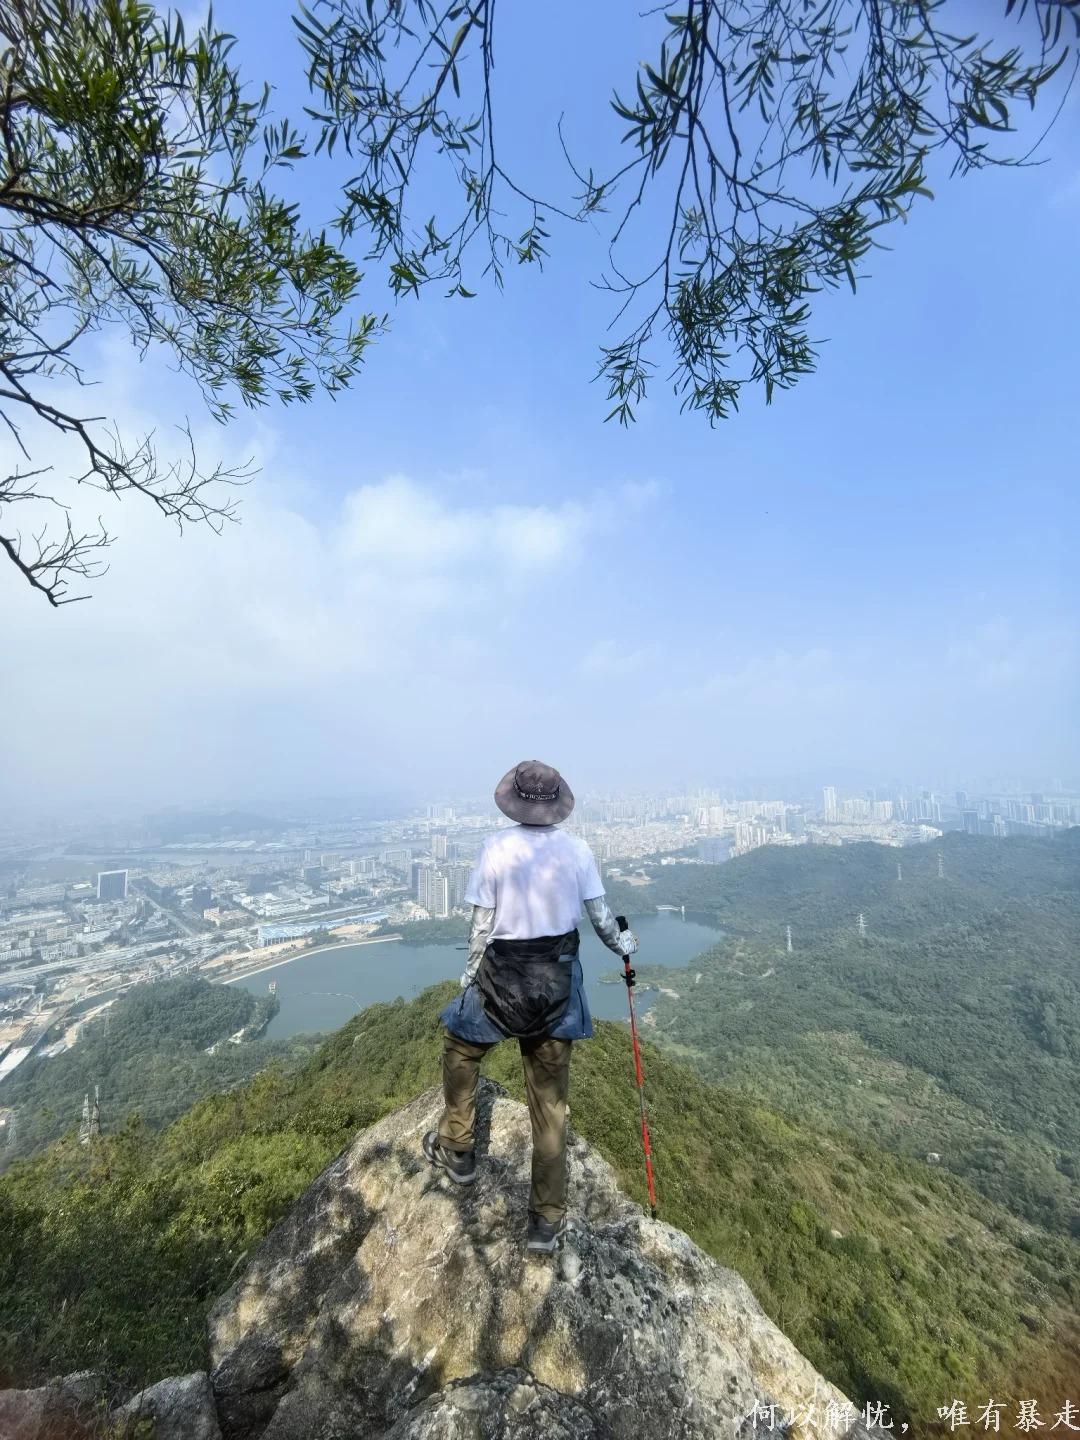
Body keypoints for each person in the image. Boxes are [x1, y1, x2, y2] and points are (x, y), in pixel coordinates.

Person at [423, 759, 638, 1253]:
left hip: (501, 979)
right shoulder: (578, 850)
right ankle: (545, 1219)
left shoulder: (495, 848)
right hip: (556, 984)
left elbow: (482, 925)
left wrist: (470, 975)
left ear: (514, 801)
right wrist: (623, 946)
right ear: (557, 802)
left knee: (461, 1047)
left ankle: (458, 1145)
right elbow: (601, 918)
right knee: (549, 1107)